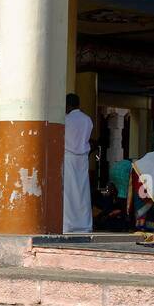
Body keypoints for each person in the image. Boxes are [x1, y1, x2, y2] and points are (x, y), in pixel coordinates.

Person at [64, 93, 94, 233]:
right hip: (82, 159)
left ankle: (69, 224)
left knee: (69, 192)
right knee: (82, 192)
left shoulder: (66, 119)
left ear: (68, 105)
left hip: (68, 157)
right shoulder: (87, 119)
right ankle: (84, 224)